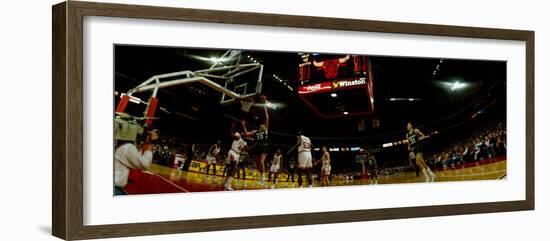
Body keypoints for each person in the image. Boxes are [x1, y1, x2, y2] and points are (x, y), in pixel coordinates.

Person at [114, 129, 159, 195]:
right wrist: (150, 144)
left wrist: (143, 145)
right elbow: (144, 165)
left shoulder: (120, 144)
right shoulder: (127, 147)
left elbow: (134, 157)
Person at [241, 98, 269, 186]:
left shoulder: (266, 130)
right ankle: (261, 177)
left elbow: (267, 117)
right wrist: (243, 125)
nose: (263, 125)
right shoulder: (255, 131)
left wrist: (264, 105)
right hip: (258, 147)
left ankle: (263, 179)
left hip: (264, 146)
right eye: (262, 124)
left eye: (264, 124)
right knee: (257, 163)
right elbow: (246, 134)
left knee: (261, 161)